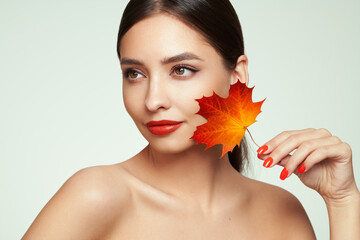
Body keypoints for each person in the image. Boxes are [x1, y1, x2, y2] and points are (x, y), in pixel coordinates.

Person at [22, 0, 359, 239]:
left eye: (181, 70)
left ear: (238, 76)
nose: (153, 100)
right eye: (134, 73)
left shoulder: (282, 212)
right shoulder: (96, 196)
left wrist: (342, 201)